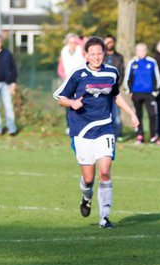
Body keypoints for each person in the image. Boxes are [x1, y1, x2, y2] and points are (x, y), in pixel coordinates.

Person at [54, 36, 140, 228]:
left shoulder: (111, 72)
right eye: (92, 54)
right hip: (82, 130)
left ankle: (104, 217)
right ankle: (86, 198)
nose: (96, 57)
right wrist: (72, 103)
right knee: (88, 178)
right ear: (86, 55)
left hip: (105, 128)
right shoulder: (78, 74)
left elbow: (116, 96)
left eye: (99, 53)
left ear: (104, 54)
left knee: (105, 172)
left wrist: (131, 113)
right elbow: (60, 97)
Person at [124, 43, 160, 144]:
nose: (141, 52)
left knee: (153, 114)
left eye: (143, 50)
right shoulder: (132, 62)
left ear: (146, 51)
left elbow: (157, 77)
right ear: (136, 51)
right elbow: (127, 78)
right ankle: (140, 135)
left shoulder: (152, 62)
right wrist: (129, 91)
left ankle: (154, 136)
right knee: (137, 115)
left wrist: (155, 91)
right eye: (139, 50)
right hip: (136, 93)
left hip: (149, 94)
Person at [103, 36, 127, 137]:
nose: (109, 44)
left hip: (114, 90)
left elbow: (121, 73)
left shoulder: (119, 57)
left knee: (116, 113)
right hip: (102, 90)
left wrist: (115, 87)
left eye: (111, 41)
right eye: (107, 42)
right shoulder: (100, 57)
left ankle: (118, 134)